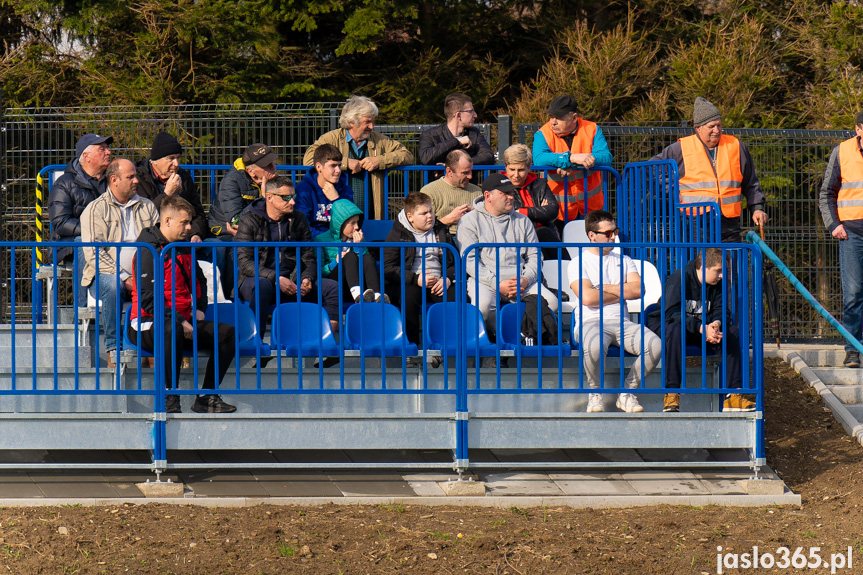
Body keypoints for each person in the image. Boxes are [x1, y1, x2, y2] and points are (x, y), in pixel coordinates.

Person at [128, 195, 237, 414]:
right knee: (171, 328)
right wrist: (179, 320)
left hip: (182, 322)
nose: (189, 228)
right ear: (167, 221)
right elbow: (148, 299)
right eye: (184, 222)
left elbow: (201, 280)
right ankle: (170, 395)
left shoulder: (184, 247)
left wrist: (200, 308)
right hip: (146, 323)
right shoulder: (147, 251)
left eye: (190, 222)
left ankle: (207, 396)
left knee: (228, 333)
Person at [568, 209, 660, 413]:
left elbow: (638, 290)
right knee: (593, 346)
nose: (613, 236)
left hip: (622, 322)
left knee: (654, 345)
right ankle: (595, 393)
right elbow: (588, 299)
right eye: (608, 233)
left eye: (615, 231)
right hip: (590, 321)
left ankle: (627, 393)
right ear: (592, 235)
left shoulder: (624, 260)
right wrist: (621, 292)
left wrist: (603, 287)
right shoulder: (578, 262)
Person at [645, 248, 755, 413]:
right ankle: (672, 393)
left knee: (731, 332)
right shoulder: (680, 278)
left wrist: (716, 325)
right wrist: (702, 328)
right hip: (670, 325)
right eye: (718, 271)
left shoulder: (718, 283)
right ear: (703, 267)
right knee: (675, 331)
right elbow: (672, 313)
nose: (722, 276)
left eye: (723, 271)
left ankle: (734, 394)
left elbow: (721, 310)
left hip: (700, 328)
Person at [650, 97, 768, 243]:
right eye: (711, 126)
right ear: (697, 128)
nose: (717, 130)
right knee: (699, 265)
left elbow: (750, 182)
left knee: (730, 263)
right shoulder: (680, 149)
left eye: (719, 125)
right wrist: (672, 189)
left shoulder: (736, 146)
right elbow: (650, 170)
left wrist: (757, 208)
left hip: (729, 222)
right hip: (693, 224)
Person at [234, 175, 340, 335]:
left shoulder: (299, 219)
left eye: (293, 197)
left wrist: (307, 278)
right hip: (259, 282)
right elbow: (244, 262)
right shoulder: (249, 219)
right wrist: (275, 278)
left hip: (293, 283)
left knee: (332, 288)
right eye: (286, 198)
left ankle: (325, 342)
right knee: (262, 285)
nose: (292, 202)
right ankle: (256, 343)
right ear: (269, 197)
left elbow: (308, 256)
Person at [458, 174, 557, 339]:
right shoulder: (469, 221)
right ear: (488, 196)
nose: (511, 197)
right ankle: (502, 337)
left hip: (521, 280)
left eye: (512, 192)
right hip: (486, 280)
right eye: (505, 193)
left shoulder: (523, 220)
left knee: (552, 303)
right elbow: (470, 261)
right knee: (481, 309)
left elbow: (535, 255)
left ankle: (520, 335)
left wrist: (526, 279)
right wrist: (497, 283)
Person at [80, 158, 159, 367]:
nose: (136, 181)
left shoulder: (148, 207)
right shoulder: (94, 209)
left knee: (157, 285)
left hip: (144, 272)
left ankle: (153, 350)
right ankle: (113, 349)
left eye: (135, 176)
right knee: (114, 287)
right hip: (107, 275)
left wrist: (143, 276)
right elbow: (95, 254)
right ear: (114, 180)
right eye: (130, 177)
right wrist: (125, 278)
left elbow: (158, 244)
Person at [303, 95, 413, 219]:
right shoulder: (331, 138)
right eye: (367, 122)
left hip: (371, 216)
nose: (372, 126)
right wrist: (344, 163)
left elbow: (406, 155)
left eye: (373, 121)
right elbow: (309, 159)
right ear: (351, 122)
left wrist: (380, 161)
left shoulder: (380, 140)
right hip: (338, 216)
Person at [819, 110, 863, 368]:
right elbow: (827, 192)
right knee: (854, 294)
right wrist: (833, 225)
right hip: (852, 234)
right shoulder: (842, 152)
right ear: (859, 129)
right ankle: (853, 350)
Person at [384, 192, 458, 344]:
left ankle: (446, 345)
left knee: (456, 297)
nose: (430, 216)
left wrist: (447, 279)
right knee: (407, 299)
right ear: (410, 216)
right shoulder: (397, 234)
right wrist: (416, 279)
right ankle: (411, 347)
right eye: (423, 213)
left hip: (439, 282)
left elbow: (455, 261)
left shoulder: (441, 231)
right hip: (410, 281)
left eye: (430, 211)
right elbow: (388, 267)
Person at [207, 142, 278, 297]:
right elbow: (236, 222)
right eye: (267, 166)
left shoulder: (272, 180)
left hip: (258, 231)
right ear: (251, 172)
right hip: (224, 232)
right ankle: (231, 297)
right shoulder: (231, 182)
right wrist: (262, 199)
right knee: (237, 248)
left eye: (272, 162)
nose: (273, 167)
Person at [532, 95, 612, 232]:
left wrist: (573, 165)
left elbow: (606, 157)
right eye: (551, 117)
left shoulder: (592, 129)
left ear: (574, 117)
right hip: (557, 210)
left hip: (590, 208)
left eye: (558, 118)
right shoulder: (542, 134)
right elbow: (539, 159)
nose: (553, 122)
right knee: (559, 251)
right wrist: (569, 159)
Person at [47, 133, 113, 297]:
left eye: (107, 148)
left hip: (108, 238)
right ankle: (83, 310)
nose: (109, 152)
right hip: (68, 244)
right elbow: (61, 223)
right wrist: (92, 230)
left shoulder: (113, 181)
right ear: (86, 156)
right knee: (84, 243)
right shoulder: (64, 183)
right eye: (102, 149)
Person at [135, 131, 208, 242]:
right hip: (154, 239)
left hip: (184, 238)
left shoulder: (184, 177)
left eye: (178, 158)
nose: (176, 163)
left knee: (217, 247)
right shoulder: (139, 179)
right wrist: (166, 194)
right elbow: (144, 216)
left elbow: (198, 213)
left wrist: (195, 235)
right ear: (156, 161)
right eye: (171, 158)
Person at [316, 198, 387, 304]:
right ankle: (357, 296)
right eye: (352, 223)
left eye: (357, 222)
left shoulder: (359, 238)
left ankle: (377, 295)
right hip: (337, 284)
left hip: (359, 281)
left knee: (367, 257)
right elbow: (318, 272)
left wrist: (358, 247)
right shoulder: (320, 240)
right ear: (340, 224)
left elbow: (367, 264)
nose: (357, 227)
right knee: (349, 256)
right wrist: (335, 263)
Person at [502, 143, 560, 258]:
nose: (516, 175)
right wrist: (540, 213)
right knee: (541, 232)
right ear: (505, 167)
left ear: (529, 168)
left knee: (543, 233)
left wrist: (524, 212)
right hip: (515, 239)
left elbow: (552, 211)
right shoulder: (500, 186)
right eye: (512, 169)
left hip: (543, 236)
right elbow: (508, 216)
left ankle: (567, 268)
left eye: (521, 170)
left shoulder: (540, 184)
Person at [418, 93, 495, 166]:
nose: (475, 115)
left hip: (468, 180)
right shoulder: (430, 135)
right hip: (439, 180)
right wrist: (457, 142)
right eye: (470, 111)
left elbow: (488, 156)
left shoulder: (474, 133)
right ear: (458, 115)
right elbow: (425, 158)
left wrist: (459, 165)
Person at [295, 143, 354, 238]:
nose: (338, 170)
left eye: (339, 165)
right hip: (314, 242)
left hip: (339, 241)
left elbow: (351, 222)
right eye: (333, 166)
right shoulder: (304, 189)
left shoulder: (345, 190)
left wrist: (336, 200)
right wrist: (328, 240)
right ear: (319, 167)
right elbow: (303, 225)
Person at [419, 149, 482, 236]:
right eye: (465, 173)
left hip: (473, 238)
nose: (470, 176)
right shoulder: (429, 192)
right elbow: (422, 227)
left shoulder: (478, 192)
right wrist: (450, 218)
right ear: (449, 171)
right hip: (443, 238)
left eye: (471, 171)